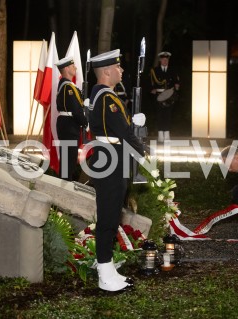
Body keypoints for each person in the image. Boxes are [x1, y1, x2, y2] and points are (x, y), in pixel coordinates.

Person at [88, 49, 146, 292]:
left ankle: (108, 267)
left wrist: (132, 123)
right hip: (110, 162)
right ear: (107, 71)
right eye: (118, 67)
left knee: (111, 216)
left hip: (108, 159)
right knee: (108, 219)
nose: (121, 71)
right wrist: (141, 149)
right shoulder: (107, 98)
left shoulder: (101, 96)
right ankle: (104, 272)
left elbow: (115, 127)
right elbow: (122, 131)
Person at [55, 56, 88, 181]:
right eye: (73, 66)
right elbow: (76, 109)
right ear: (66, 68)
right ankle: (65, 188)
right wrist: (86, 123)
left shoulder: (67, 85)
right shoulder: (68, 87)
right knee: (68, 160)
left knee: (69, 160)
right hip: (69, 126)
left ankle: (65, 184)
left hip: (68, 125)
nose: (75, 67)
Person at [150, 51, 180, 143]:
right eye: (163, 60)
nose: (165, 61)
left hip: (169, 96)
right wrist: (152, 89)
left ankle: (167, 133)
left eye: (166, 60)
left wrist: (177, 85)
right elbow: (151, 83)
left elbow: (176, 81)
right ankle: (160, 134)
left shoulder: (173, 70)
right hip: (159, 95)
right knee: (160, 115)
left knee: (168, 115)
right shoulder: (155, 70)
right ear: (160, 60)